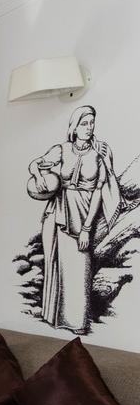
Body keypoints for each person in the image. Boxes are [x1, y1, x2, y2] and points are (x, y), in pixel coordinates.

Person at [27, 105, 120, 333]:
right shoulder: (62, 149)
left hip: (83, 213)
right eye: (84, 123)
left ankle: (77, 322)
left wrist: (87, 228)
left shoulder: (99, 153)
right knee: (56, 263)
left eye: (91, 123)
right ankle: (55, 317)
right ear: (74, 127)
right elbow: (34, 164)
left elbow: (98, 192)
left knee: (80, 266)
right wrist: (38, 176)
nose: (89, 128)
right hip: (58, 211)